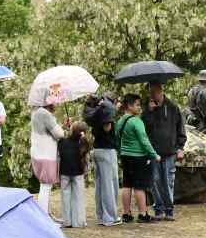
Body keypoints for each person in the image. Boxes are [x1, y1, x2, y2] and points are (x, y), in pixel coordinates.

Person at [142, 82, 186, 221]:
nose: (153, 95)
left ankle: (169, 210)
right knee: (155, 181)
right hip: (154, 151)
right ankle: (159, 209)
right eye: (151, 93)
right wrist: (149, 111)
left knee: (168, 181)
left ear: (161, 91)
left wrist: (180, 148)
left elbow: (181, 129)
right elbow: (144, 129)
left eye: (154, 92)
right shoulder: (148, 108)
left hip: (169, 151)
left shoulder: (173, 107)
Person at [117, 93, 161, 223]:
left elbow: (117, 137)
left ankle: (126, 214)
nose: (139, 107)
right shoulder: (137, 121)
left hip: (125, 155)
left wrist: (122, 150)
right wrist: (154, 155)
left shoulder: (120, 121)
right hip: (138, 157)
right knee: (139, 186)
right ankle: (143, 214)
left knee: (127, 184)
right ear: (129, 106)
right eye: (137, 105)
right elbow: (144, 141)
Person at [84, 92, 122, 226]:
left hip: (97, 150)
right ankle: (110, 217)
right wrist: (112, 116)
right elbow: (107, 128)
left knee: (100, 185)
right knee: (110, 184)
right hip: (107, 150)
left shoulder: (95, 111)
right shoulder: (107, 112)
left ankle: (101, 215)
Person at [30, 103, 65, 214]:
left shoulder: (36, 112)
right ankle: (44, 216)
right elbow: (59, 134)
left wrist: (62, 125)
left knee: (45, 186)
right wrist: (62, 129)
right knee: (46, 186)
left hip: (38, 153)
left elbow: (49, 130)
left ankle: (47, 215)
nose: (56, 104)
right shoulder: (45, 114)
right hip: (46, 154)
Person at [58, 121, 90, 228]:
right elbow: (85, 158)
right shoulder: (83, 144)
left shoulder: (62, 142)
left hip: (64, 172)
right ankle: (79, 221)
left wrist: (65, 128)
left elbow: (60, 152)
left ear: (71, 130)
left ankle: (67, 221)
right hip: (78, 173)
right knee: (79, 197)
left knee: (65, 197)